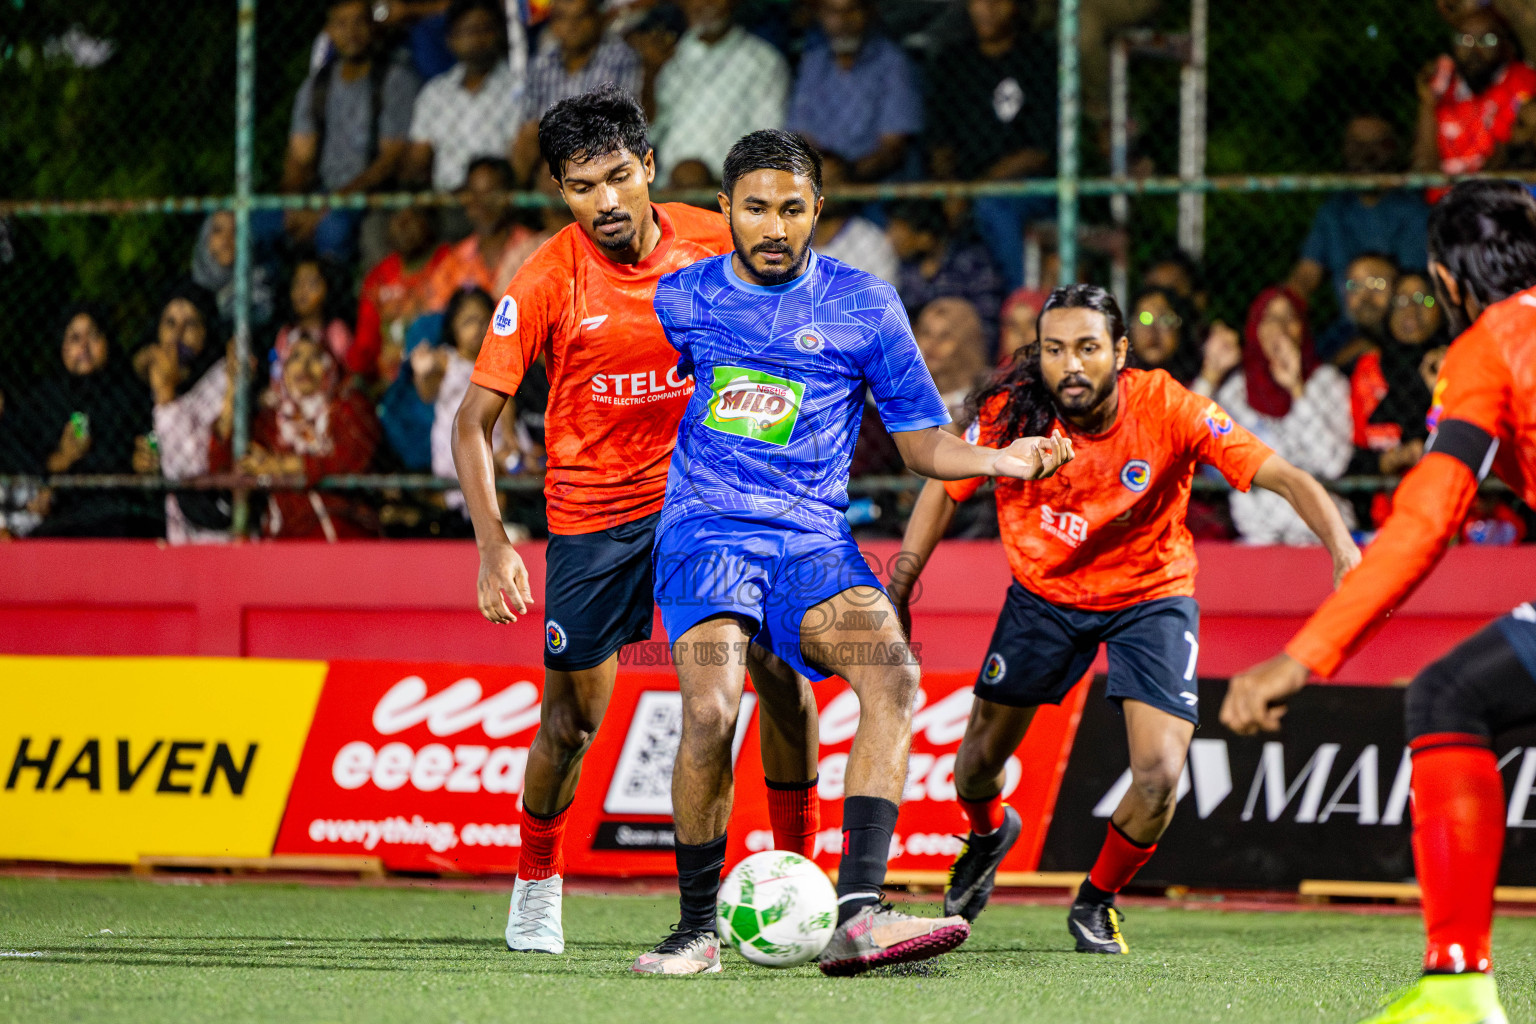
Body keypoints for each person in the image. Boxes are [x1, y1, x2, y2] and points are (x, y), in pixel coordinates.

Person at [636, 128, 1073, 977]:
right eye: (756, 208)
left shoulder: (864, 304)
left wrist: (995, 458)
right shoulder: (682, 299)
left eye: (793, 210)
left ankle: (859, 915)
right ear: (725, 211)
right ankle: (695, 930)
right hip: (707, 535)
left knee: (894, 674)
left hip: (811, 544)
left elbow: (921, 444)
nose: (774, 226)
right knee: (712, 710)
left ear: (818, 213)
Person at [452, 88, 819, 958]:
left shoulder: (714, 235)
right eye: (583, 187)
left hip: (714, 501)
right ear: (561, 191)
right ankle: (537, 881)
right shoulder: (547, 277)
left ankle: (798, 878)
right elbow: (474, 420)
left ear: (649, 168)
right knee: (572, 722)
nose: (607, 202)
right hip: (596, 515)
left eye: (620, 177)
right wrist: (494, 543)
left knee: (779, 672)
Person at [887, 284, 1359, 954]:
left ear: (1119, 353)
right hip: (1043, 595)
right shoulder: (1010, 411)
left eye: (1087, 348)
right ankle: (990, 833)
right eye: (1055, 349)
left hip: (1150, 596)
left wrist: (1341, 548)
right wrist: (903, 577)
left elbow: (1286, 476)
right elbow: (943, 486)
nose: (1070, 365)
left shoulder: (1168, 406)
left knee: (1160, 776)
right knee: (974, 769)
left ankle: (1096, 900)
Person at [1220, 179, 1536, 1024]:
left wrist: (1304, 655)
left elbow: (1428, 517)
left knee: (1449, 697)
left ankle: (1459, 987)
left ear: (1444, 278)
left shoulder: (1490, 344)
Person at [927, 0, 1056, 288]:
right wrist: (949, 188)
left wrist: (974, 190)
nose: (987, 9)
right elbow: (939, 143)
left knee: (993, 207)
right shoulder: (954, 62)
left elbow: (1038, 152)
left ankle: (1021, 304)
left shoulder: (1038, 58)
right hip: (963, 189)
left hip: (1027, 190)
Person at [280, 0, 420, 264]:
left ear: (373, 27)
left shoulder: (396, 80)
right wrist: (291, 206)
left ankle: (336, 299)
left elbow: (390, 160)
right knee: (247, 224)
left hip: (369, 196)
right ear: (329, 31)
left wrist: (329, 205)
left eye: (359, 22)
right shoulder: (315, 86)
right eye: (341, 24)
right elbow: (298, 158)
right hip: (319, 195)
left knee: (333, 231)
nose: (351, 31)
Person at [1217, 287, 1355, 545]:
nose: (1279, 327)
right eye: (1270, 318)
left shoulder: (1326, 382)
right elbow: (1188, 444)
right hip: (1257, 535)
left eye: (1289, 318)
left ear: (1303, 327)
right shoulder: (1235, 390)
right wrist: (1209, 375)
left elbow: (1332, 465)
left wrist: (1297, 389)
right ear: (1255, 328)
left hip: (1319, 534)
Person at [209, 336, 380, 540]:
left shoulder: (349, 407)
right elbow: (221, 463)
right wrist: (232, 392)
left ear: (330, 366)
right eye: (295, 357)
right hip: (287, 542)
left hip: (348, 536)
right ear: (284, 369)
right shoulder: (271, 420)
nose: (304, 366)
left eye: (315, 357)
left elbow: (353, 460)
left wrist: (283, 466)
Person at [22, 303, 161, 538]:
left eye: (94, 335)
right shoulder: (44, 400)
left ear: (107, 343)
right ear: (61, 347)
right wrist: (64, 458)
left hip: (122, 512)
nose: (84, 347)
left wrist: (143, 464)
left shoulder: (130, 394)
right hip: (66, 516)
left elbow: (149, 450)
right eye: (75, 338)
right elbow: (27, 465)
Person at [1286, 116, 1430, 307]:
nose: (1367, 155)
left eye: (1378, 145)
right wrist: (1283, 304)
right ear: (1345, 150)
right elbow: (1306, 273)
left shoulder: (1414, 210)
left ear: (1394, 149)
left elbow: (1421, 293)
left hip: (1402, 318)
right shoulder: (1334, 211)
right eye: (1357, 145)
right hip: (1350, 324)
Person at [648, 0, 789, 185]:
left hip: (727, 193)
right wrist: (651, 72)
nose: (706, 3)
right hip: (670, 191)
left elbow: (768, 143)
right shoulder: (667, 58)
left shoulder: (764, 61)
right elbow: (649, 134)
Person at [785, 0, 922, 182]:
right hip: (817, 178)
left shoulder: (893, 64)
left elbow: (893, 147)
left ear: (869, 12)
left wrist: (845, 176)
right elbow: (800, 135)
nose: (842, 21)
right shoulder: (813, 63)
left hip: (873, 186)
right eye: (833, 12)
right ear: (820, 15)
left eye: (852, 10)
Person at [1348, 271, 1444, 528]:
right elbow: (1352, 453)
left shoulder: (1454, 359)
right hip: (1382, 511)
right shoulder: (1369, 368)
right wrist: (1387, 461)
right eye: (1400, 301)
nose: (1411, 310)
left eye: (1424, 300)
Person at [510, 0, 642, 181]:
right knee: (527, 137)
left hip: (601, 150)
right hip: (550, 154)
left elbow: (620, 123)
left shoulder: (620, 58)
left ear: (598, 18)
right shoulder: (542, 65)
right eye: (563, 18)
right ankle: (518, 202)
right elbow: (530, 124)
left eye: (581, 17)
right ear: (553, 25)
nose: (572, 26)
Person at [1413, 9, 1536, 198]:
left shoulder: (1522, 82)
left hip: (1496, 199)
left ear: (1506, 46)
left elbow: (1508, 156)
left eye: (1487, 40)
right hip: (1447, 205)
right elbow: (1424, 168)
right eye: (1465, 39)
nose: (1474, 50)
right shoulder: (1443, 86)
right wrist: (1428, 104)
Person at [403, 0, 520, 193]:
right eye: (468, 31)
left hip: (496, 200)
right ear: (451, 40)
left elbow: (522, 159)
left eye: (485, 29)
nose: (477, 39)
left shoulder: (520, 89)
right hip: (446, 201)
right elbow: (418, 160)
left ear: (500, 34)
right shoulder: (434, 93)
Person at [352, 206, 451, 386]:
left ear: (428, 220)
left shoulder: (450, 264)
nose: (403, 225)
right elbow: (366, 343)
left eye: (412, 216)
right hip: (389, 385)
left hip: (440, 378)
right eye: (397, 216)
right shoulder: (378, 277)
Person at [422, 157, 536, 310]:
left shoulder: (535, 249)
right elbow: (436, 313)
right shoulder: (454, 262)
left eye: (490, 195)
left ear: (509, 196)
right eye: (475, 195)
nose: (482, 205)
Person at [888, 199, 1005, 347]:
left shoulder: (972, 263)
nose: (889, 239)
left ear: (925, 238)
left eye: (899, 234)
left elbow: (987, 326)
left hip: (962, 355)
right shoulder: (907, 269)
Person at [810, 157, 899, 286]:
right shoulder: (786, 239)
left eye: (832, 182)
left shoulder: (871, 242)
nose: (823, 190)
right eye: (817, 183)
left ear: (848, 186)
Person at [272, 254, 355, 381]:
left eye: (312, 284)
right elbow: (277, 374)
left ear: (328, 290)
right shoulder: (286, 333)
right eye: (297, 283)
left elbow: (350, 375)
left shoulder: (336, 332)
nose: (302, 291)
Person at [190, 210, 276, 333]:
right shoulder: (189, 290)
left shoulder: (259, 290)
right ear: (205, 238)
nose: (226, 239)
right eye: (218, 230)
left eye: (235, 232)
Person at [1317, 252, 1399, 366]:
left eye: (1378, 284)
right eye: (1355, 285)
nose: (1365, 297)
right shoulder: (1329, 341)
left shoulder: (1418, 342)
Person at [914, 297, 990, 418]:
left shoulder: (987, 400)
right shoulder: (904, 394)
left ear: (967, 343)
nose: (931, 344)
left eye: (944, 336)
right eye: (926, 333)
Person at [1127, 286, 1200, 385]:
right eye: (1144, 319)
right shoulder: (1120, 384)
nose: (1152, 331)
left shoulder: (1198, 381)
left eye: (1164, 319)